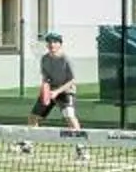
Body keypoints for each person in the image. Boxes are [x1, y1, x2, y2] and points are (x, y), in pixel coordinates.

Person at [22, 28, 87, 159]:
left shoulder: (66, 60)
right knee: (33, 116)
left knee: (69, 116)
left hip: (66, 92)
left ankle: (81, 148)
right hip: (50, 91)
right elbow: (45, 77)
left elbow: (72, 80)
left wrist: (57, 92)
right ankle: (28, 145)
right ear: (47, 45)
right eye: (49, 42)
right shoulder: (44, 59)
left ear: (60, 44)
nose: (52, 44)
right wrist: (46, 89)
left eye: (55, 42)